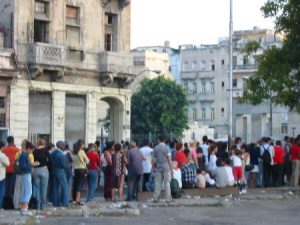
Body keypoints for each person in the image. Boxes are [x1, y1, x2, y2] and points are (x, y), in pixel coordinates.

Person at [152, 135, 173, 203]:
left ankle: (155, 198)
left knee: (158, 183)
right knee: (167, 183)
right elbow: (169, 159)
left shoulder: (155, 148)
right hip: (166, 167)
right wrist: (171, 168)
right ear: (165, 140)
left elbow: (153, 159)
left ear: (158, 140)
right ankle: (168, 198)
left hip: (158, 167)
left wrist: (153, 168)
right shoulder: (167, 148)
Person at [32, 138, 50, 210]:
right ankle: (43, 205)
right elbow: (50, 159)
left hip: (36, 170)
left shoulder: (34, 151)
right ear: (44, 144)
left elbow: (33, 160)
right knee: (44, 188)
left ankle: (38, 205)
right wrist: (46, 164)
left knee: (37, 188)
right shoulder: (46, 150)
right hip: (44, 169)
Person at [50, 141, 69, 207]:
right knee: (65, 186)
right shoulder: (61, 154)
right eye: (63, 145)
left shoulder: (52, 153)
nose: (64, 146)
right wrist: (67, 165)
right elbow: (64, 164)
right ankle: (64, 202)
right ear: (60, 146)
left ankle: (56, 202)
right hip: (60, 170)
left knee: (55, 187)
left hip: (54, 170)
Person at [19, 141, 35, 215]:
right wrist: (31, 165)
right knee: (29, 191)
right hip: (26, 174)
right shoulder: (24, 155)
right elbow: (23, 166)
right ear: (28, 148)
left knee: (26, 191)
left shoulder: (23, 154)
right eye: (31, 150)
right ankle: (25, 208)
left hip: (25, 174)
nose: (31, 152)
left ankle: (23, 208)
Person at [72, 139, 89, 205]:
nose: (84, 146)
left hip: (76, 169)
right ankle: (77, 200)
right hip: (82, 169)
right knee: (79, 185)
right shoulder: (82, 152)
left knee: (76, 184)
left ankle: (75, 199)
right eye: (83, 144)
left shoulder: (74, 152)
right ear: (81, 145)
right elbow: (87, 161)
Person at [0, 141, 10, 209]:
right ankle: (0, 206)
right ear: (2, 147)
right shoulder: (2, 155)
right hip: (1, 175)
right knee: (1, 191)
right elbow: (7, 163)